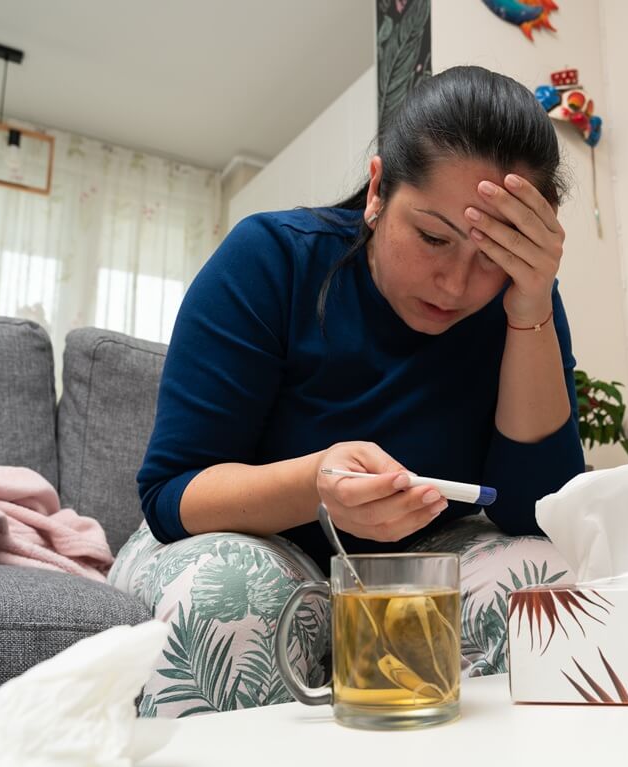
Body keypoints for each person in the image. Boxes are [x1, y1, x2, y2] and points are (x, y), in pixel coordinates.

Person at [108, 65, 584, 718]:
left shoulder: (519, 301)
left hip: (416, 561)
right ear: (378, 189)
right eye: (432, 238)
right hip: (244, 538)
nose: (453, 284)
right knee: (228, 600)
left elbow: (538, 510)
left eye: (494, 258)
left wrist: (529, 301)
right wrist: (316, 483)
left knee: (545, 582)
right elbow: (172, 493)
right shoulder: (270, 259)